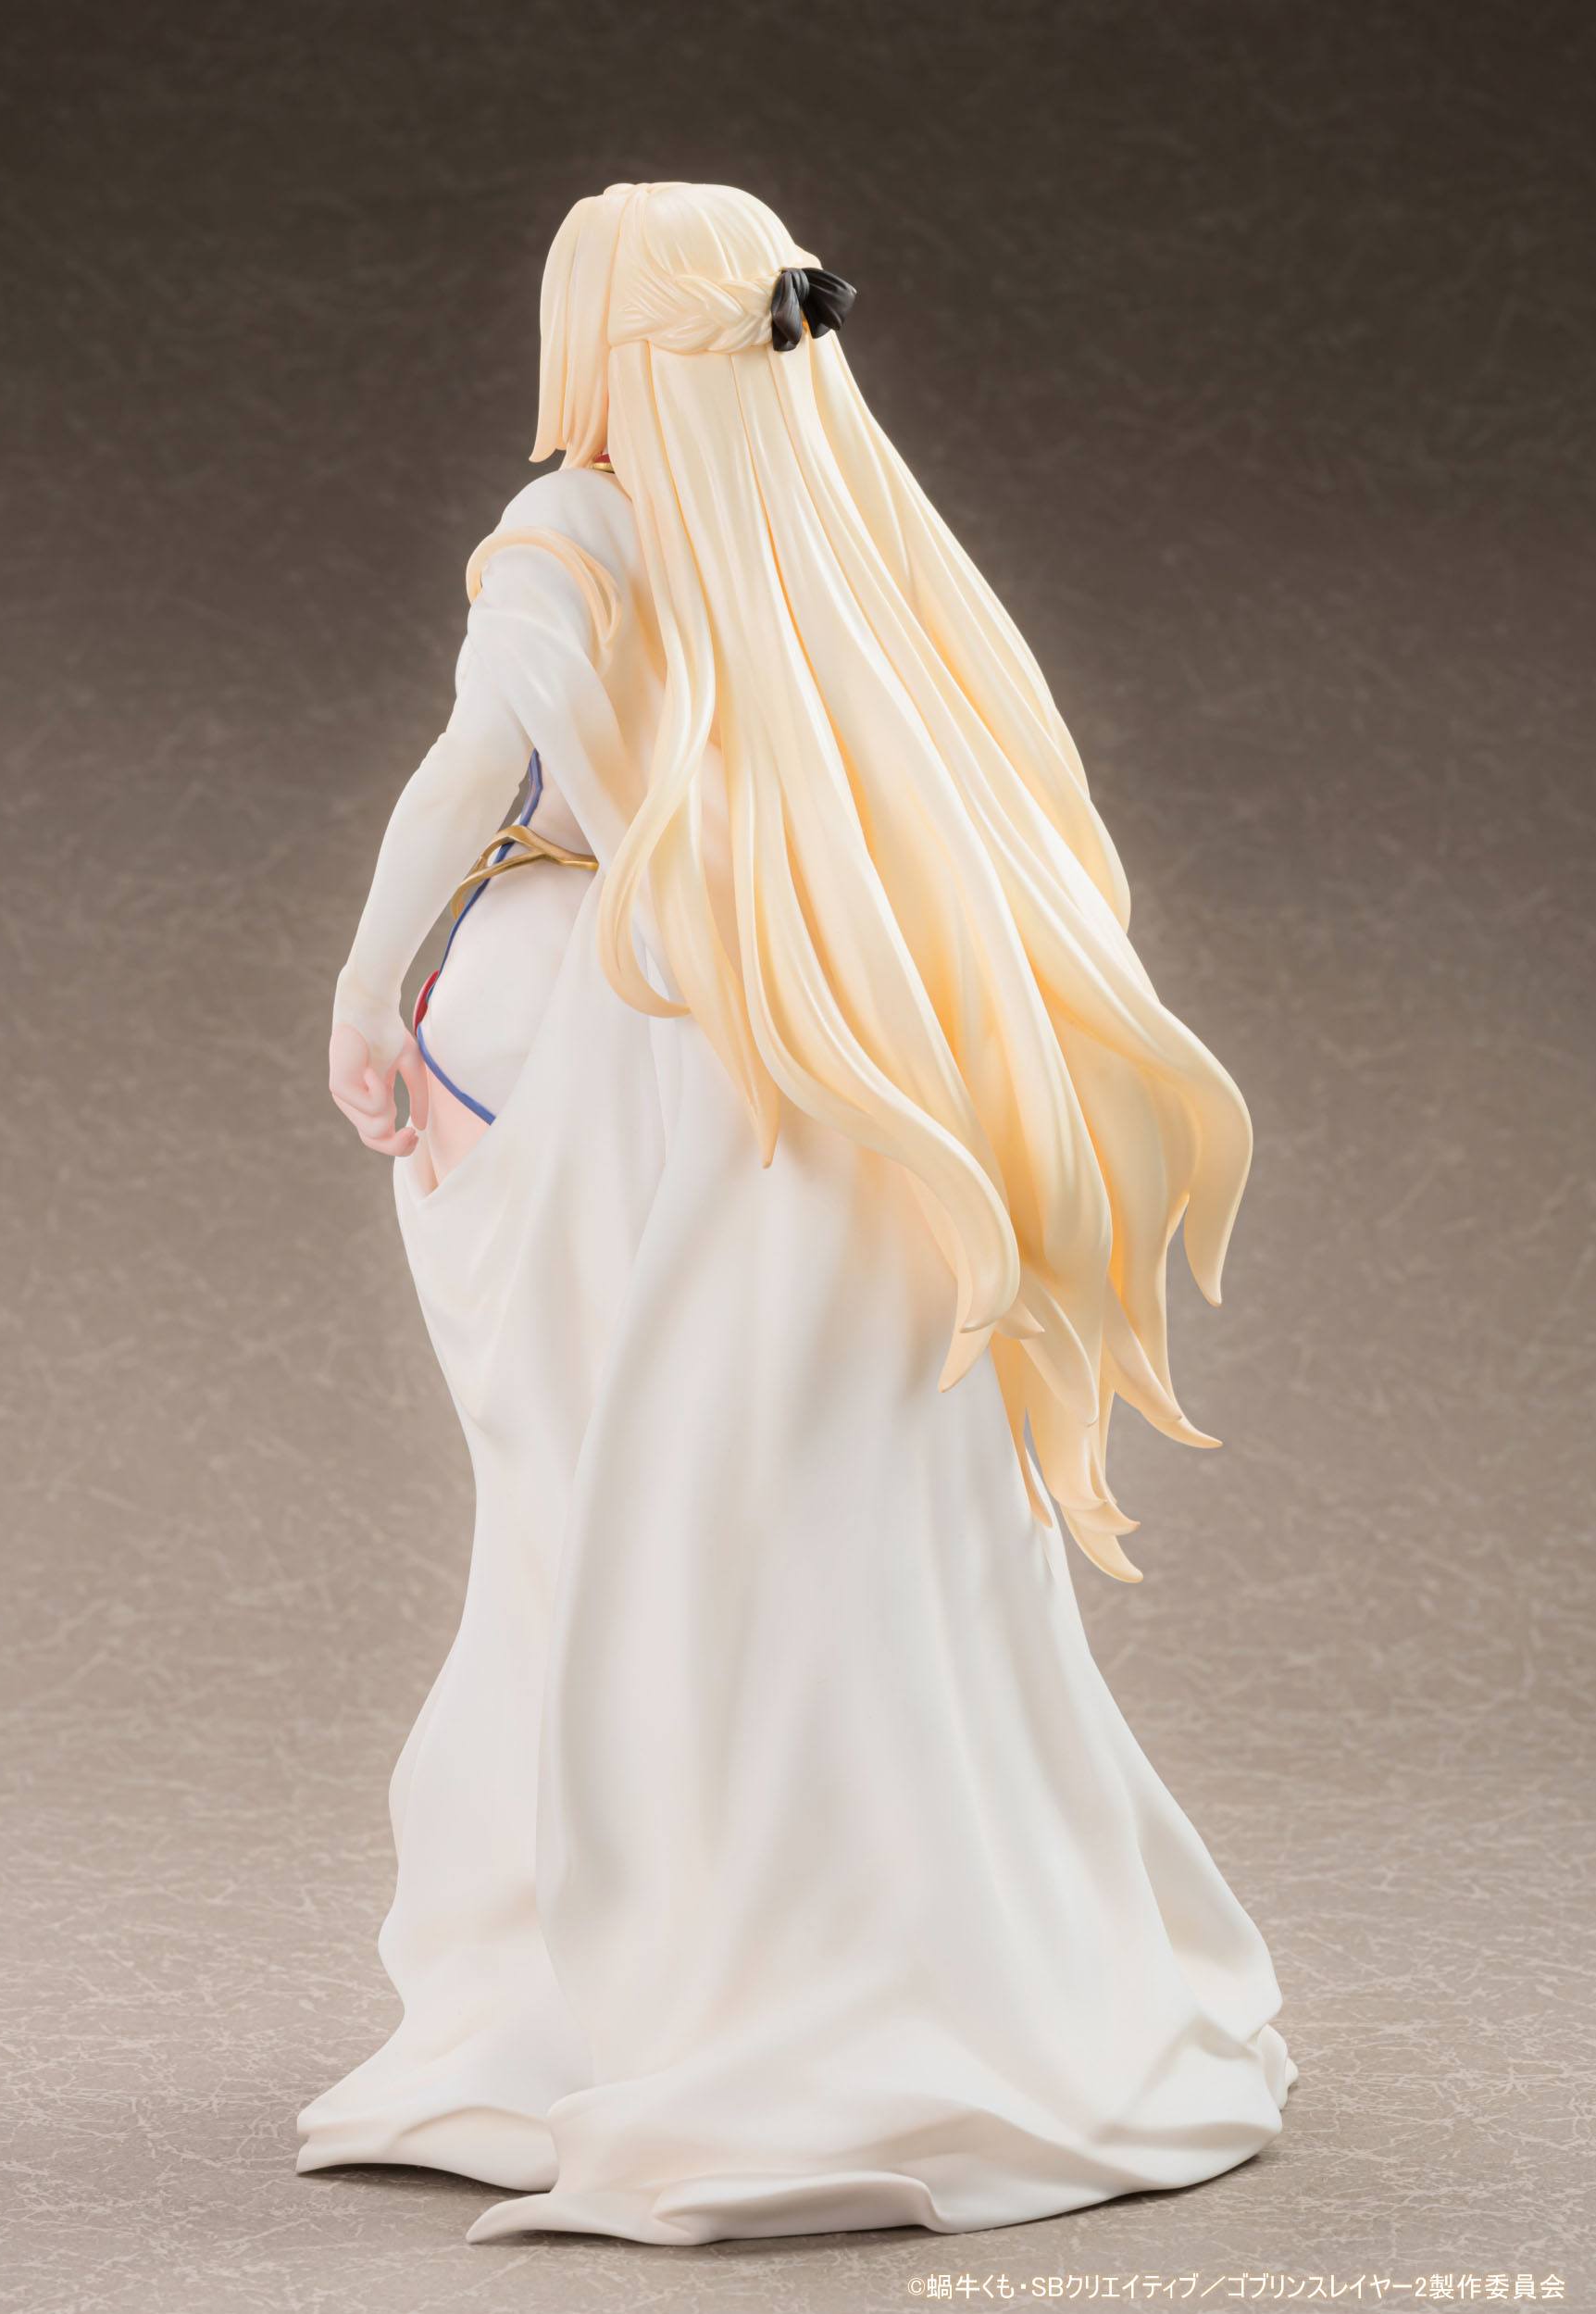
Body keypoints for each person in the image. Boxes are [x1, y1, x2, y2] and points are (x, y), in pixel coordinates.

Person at [302, 179, 1297, 2247]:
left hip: (612, 1048)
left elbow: (469, 771)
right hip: (824, 1057)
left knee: (605, 1506)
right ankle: (891, 1960)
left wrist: (365, 986)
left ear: (593, 336)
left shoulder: (573, 523)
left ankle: (631, 1984)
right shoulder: (828, 516)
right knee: (813, 1517)